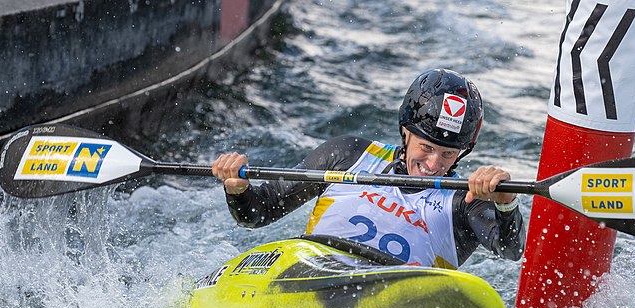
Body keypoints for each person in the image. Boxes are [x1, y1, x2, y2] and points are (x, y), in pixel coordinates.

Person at [212, 68, 524, 269]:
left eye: (447, 154)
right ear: (405, 133)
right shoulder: (349, 155)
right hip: (308, 279)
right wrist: (239, 191)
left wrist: (505, 204)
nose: (433, 164)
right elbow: (259, 213)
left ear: (461, 153)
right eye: (426, 148)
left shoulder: (464, 200)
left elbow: (511, 250)